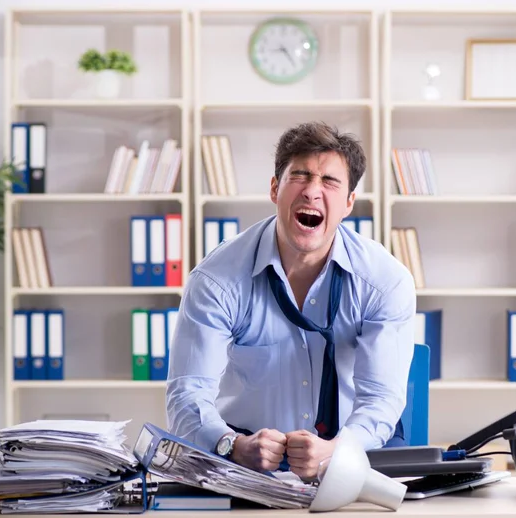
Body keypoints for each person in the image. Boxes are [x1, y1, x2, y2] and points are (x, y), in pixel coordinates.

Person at [166, 121, 416, 480]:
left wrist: (338, 451)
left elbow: (380, 401)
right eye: (299, 176)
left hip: (348, 458)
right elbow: (187, 393)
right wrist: (231, 444)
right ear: (274, 189)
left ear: (348, 203)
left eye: (329, 182)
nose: (313, 192)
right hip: (245, 461)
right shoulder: (216, 280)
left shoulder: (384, 282)